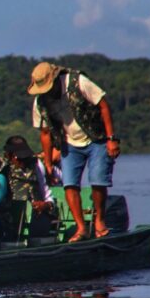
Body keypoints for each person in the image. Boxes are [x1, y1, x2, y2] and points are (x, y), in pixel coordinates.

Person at [29, 61, 120, 241]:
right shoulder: (40, 102)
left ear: (55, 80)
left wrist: (111, 139)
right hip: (69, 143)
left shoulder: (78, 82)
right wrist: (47, 162)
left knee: (98, 181)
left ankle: (100, 220)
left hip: (97, 139)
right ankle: (81, 228)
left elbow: (103, 106)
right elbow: (45, 133)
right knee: (69, 185)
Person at [2, 135, 56, 238]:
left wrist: (46, 204)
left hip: (36, 217)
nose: (22, 161)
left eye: (25, 157)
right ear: (9, 155)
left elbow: (45, 190)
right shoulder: (3, 169)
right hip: (12, 220)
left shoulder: (36, 164)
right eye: (18, 157)